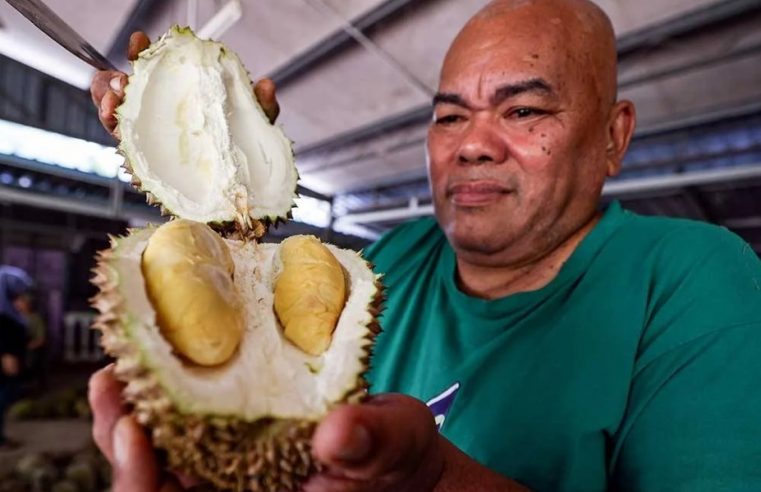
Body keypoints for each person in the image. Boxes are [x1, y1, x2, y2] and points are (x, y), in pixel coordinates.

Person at [88, 0, 761, 490]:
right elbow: (256, 337)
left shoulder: (692, 277)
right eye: (448, 116)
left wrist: (434, 481)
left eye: (522, 110)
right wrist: (200, 153)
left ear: (612, 137)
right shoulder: (385, 263)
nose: (470, 144)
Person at [0, 266, 33, 450]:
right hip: (5, 368)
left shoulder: (11, 314)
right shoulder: (4, 317)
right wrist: (9, 361)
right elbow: (5, 343)